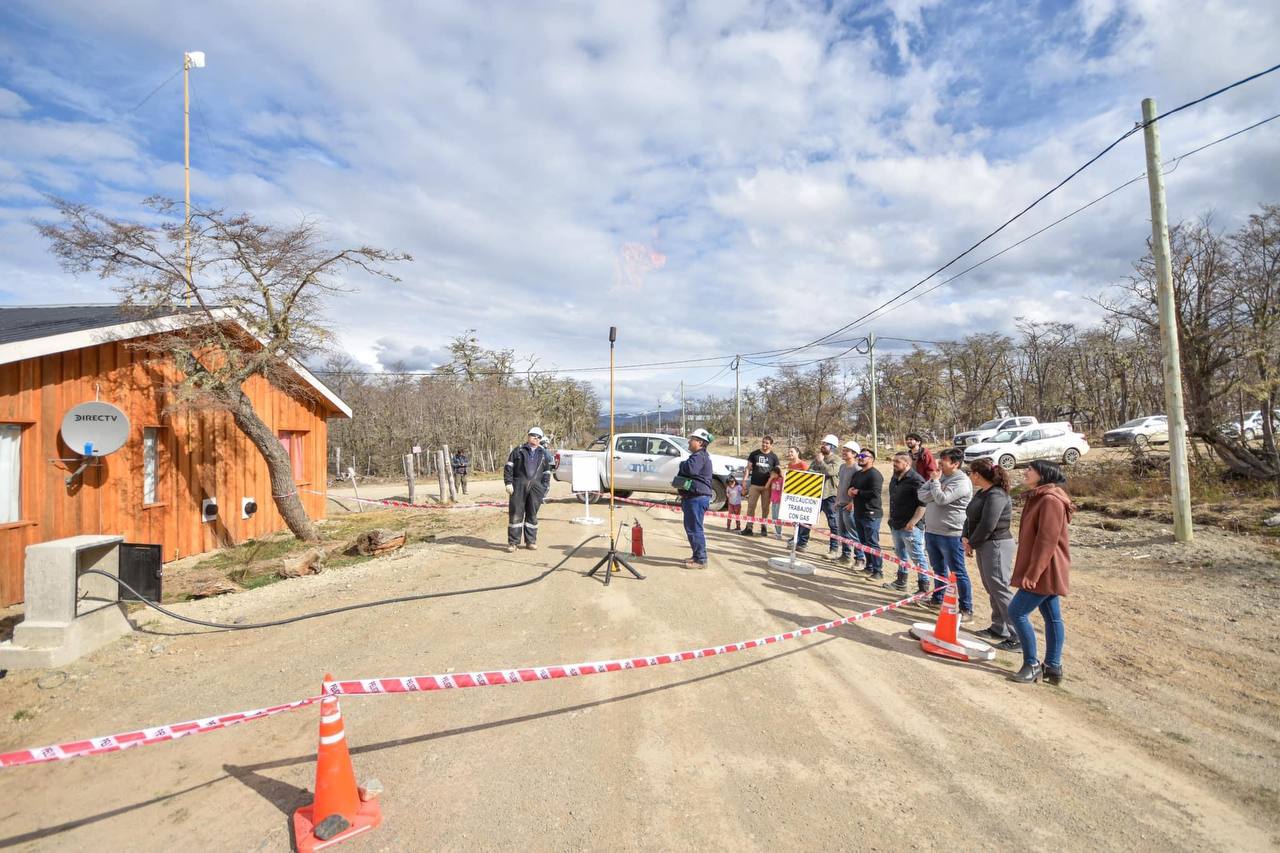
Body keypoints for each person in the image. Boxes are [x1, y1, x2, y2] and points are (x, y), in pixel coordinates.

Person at [1008, 460, 1074, 684]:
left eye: (1030, 469)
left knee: (1016, 611)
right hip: (1045, 567)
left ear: (1043, 475)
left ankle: (1032, 663)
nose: (1025, 472)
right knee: (1052, 617)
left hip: (1046, 568)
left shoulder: (1049, 500)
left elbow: (1047, 541)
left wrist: (1033, 574)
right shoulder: (1039, 496)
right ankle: (1053, 667)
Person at [963, 459, 1018, 650]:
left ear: (978, 474)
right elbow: (970, 517)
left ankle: (1017, 635)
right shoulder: (982, 493)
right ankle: (998, 628)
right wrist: (965, 536)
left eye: (971, 472)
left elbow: (988, 524)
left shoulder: (997, 495)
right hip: (983, 544)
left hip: (996, 544)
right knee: (991, 587)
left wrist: (971, 542)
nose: (970, 475)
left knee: (1000, 587)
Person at [918, 447, 973, 617]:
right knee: (938, 569)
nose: (939, 463)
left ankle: (966, 608)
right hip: (932, 531)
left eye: (944, 460)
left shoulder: (961, 481)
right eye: (940, 459)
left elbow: (942, 500)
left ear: (955, 463)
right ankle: (938, 599)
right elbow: (921, 494)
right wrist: (935, 488)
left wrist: (935, 484)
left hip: (951, 533)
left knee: (958, 572)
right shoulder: (939, 477)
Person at [885, 451, 930, 593]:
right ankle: (901, 581)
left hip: (911, 527)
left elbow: (923, 505)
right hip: (896, 524)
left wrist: (913, 523)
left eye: (897, 462)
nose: (894, 464)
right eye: (894, 461)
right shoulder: (895, 477)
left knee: (917, 557)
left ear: (907, 463)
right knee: (900, 555)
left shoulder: (916, 480)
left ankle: (924, 587)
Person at [503, 427, 551, 552]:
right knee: (516, 515)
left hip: (536, 489)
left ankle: (531, 541)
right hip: (518, 485)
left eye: (538, 437)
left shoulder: (543, 454)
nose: (536, 438)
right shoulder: (518, 451)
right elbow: (508, 467)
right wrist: (508, 483)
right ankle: (513, 543)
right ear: (528, 436)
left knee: (532, 515)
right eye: (533, 435)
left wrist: (544, 488)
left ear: (541, 439)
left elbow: (546, 472)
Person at [677, 428, 716, 569]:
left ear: (699, 442)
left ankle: (700, 560)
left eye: (691, 439)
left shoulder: (699, 456)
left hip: (696, 498)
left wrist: (682, 465)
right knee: (692, 528)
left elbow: (690, 470)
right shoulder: (699, 455)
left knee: (695, 529)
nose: (689, 441)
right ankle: (696, 556)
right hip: (694, 497)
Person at [849, 448, 884, 578]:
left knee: (872, 543)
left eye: (864, 456)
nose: (860, 457)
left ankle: (878, 571)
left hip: (871, 514)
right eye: (859, 455)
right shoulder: (857, 474)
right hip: (858, 513)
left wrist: (858, 492)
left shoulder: (875, 475)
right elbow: (851, 487)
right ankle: (869, 567)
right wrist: (850, 491)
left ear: (871, 459)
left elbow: (875, 493)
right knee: (864, 542)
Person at [809, 434, 845, 560]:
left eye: (825, 444)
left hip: (830, 495)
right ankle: (801, 542)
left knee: (833, 523)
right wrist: (818, 464)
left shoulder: (837, 460)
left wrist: (821, 463)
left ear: (832, 446)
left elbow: (831, 471)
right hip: (816, 494)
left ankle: (834, 549)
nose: (822, 446)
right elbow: (810, 471)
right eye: (822, 443)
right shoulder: (817, 458)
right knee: (807, 519)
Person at [741, 436, 779, 536]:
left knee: (765, 508)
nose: (764, 445)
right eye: (763, 442)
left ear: (771, 445)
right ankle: (749, 528)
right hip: (754, 485)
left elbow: (777, 471)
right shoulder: (754, 454)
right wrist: (744, 481)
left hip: (767, 487)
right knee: (751, 506)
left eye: (767, 443)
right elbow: (748, 468)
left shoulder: (774, 457)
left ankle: (764, 527)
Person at [834, 440, 862, 565]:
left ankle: (859, 558)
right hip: (840, 503)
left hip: (849, 506)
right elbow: (840, 485)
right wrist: (837, 500)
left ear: (855, 454)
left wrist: (853, 503)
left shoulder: (857, 469)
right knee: (842, 532)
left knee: (853, 533)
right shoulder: (842, 467)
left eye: (847, 451)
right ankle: (845, 556)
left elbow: (858, 489)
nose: (844, 453)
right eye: (843, 450)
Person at [785, 446, 812, 549]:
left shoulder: (803, 465)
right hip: (793, 495)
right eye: (789, 452)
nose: (790, 453)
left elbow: (810, 478)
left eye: (792, 451)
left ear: (797, 452)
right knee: (795, 518)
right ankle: (796, 536)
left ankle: (802, 540)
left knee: (803, 519)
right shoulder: (790, 465)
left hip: (803, 495)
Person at [768, 467, 785, 539]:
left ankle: (779, 533)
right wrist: (770, 479)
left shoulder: (782, 480)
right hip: (773, 500)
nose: (772, 474)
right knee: (774, 517)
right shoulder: (772, 480)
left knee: (778, 517)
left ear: (777, 473)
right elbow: (766, 487)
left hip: (779, 501)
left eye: (773, 473)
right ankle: (777, 531)